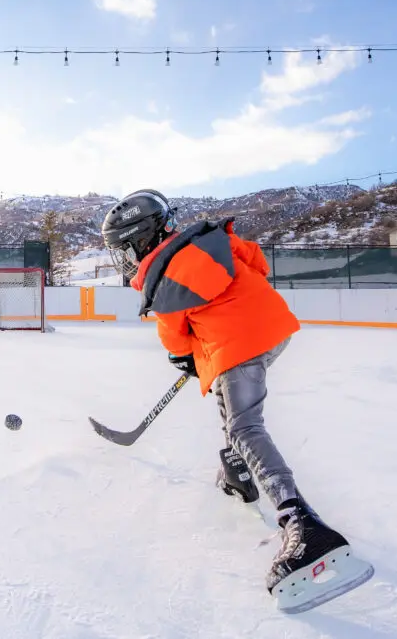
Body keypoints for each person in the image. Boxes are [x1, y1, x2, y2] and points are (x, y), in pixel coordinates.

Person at [100, 188, 373, 612]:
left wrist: (187, 356)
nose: (126, 258)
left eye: (124, 249)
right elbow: (256, 261)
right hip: (272, 325)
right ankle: (239, 473)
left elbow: (175, 337)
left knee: (246, 427)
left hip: (239, 345)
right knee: (234, 407)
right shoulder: (208, 240)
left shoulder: (160, 275)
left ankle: (302, 525)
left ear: (141, 239)